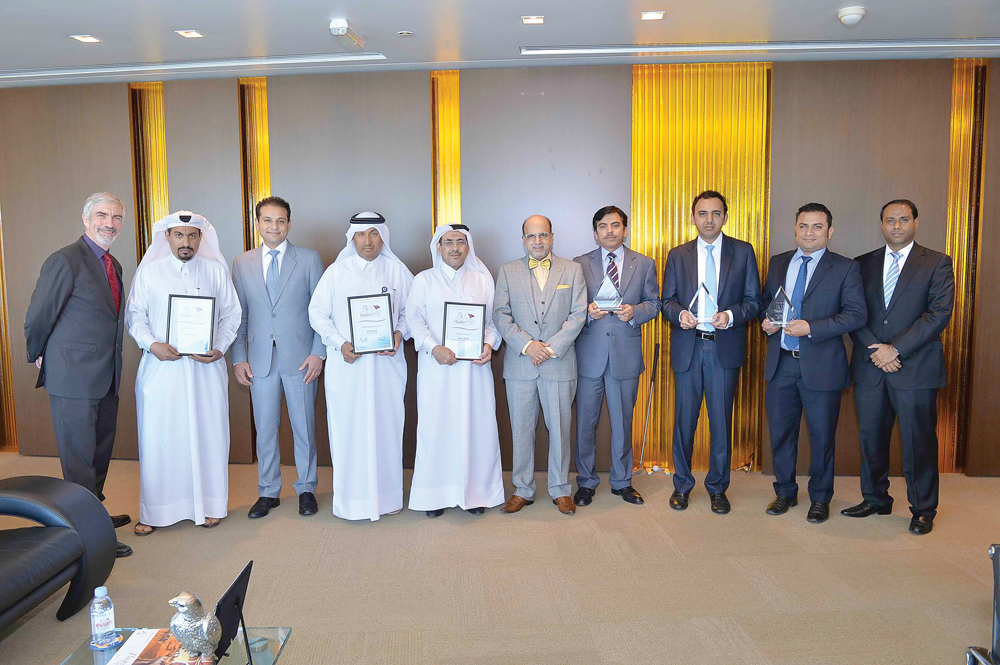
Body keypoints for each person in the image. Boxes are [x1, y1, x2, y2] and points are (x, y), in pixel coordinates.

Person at [24, 192, 133, 558]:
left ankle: (94, 515)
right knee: (78, 458)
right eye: (102, 215)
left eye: (117, 217)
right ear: (85, 218)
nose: (110, 223)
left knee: (99, 452)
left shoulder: (113, 264)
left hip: (106, 374)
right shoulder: (65, 260)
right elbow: (39, 315)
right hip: (72, 376)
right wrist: (38, 353)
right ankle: (86, 533)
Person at [125, 212, 241, 534]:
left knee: (208, 435)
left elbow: (232, 315)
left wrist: (219, 346)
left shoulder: (216, 271)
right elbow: (135, 316)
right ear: (167, 237)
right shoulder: (150, 273)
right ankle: (155, 512)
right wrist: (151, 345)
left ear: (201, 239)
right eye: (179, 235)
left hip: (206, 370)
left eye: (192, 236)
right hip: (162, 370)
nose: (186, 242)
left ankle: (211, 505)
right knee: (159, 438)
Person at [843, 199, 954, 535]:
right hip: (870, 365)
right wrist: (876, 350)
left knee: (918, 441)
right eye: (889, 220)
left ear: (915, 223)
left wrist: (896, 349)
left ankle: (922, 509)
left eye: (903, 219)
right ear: (881, 225)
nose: (896, 226)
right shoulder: (861, 264)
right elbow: (853, 312)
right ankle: (875, 498)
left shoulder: (937, 262)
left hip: (915, 367)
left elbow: (938, 315)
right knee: (871, 438)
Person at [760, 203, 866, 523]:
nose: (809, 232)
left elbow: (856, 315)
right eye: (804, 226)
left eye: (817, 227)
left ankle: (820, 498)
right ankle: (785, 493)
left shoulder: (845, 268)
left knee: (821, 437)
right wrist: (767, 321)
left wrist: (813, 328)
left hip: (821, 366)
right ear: (795, 228)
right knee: (781, 433)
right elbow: (769, 302)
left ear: (829, 231)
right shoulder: (778, 262)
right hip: (780, 363)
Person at [660, 190, 762, 514]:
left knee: (721, 423)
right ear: (693, 218)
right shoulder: (678, 254)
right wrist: (679, 315)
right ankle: (682, 486)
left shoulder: (743, 252)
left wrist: (730, 316)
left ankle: (718, 488)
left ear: (725, 217)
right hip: (689, 348)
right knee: (684, 423)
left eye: (715, 213)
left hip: (723, 347)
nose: (709, 220)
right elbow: (667, 301)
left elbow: (754, 302)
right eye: (702, 213)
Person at [308, 212, 413, 521]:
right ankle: (352, 501)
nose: (368, 241)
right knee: (348, 430)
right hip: (347, 368)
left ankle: (386, 499)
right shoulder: (336, 272)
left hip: (386, 368)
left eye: (374, 234)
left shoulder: (397, 272)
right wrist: (339, 342)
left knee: (387, 429)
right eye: (361, 235)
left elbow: (411, 312)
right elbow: (317, 314)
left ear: (383, 237)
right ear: (351, 238)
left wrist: (398, 333)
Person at [231, 196, 325, 519]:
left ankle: (307, 488)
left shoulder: (310, 259)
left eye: (281, 221)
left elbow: (321, 312)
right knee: (265, 429)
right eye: (267, 220)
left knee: (304, 428)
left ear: (289, 223)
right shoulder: (242, 263)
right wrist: (238, 357)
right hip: (258, 361)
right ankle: (268, 492)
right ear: (258, 224)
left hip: (301, 360)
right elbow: (238, 316)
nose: (274, 226)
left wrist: (318, 353)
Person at [405, 224, 504, 518]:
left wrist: (488, 344)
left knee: (477, 428)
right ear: (438, 247)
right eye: (448, 242)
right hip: (438, 371)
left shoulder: (482, 280)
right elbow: (414, 320)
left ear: (468, 246)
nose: (455, 248)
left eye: (461, 242)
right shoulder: (424, 280)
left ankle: (475, 494)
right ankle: (435, 496)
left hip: (474, 371)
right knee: (437, 429)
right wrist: (433, 347)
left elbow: (494, 321)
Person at [493, 215, 587, 516]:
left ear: (552, 237)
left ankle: (560, 490)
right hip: (520, 363)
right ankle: (523, 489)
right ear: (523, 240)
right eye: (531, 236)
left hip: (559, 364)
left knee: (560, 428)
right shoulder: (507, 271)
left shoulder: (572, 270)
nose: (537, 241)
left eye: (543, 235)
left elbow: (578, 315)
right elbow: (501, 315)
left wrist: (551, 348)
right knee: (521, 430)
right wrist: (528, 345)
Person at [572, 206, 660, 507]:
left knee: (623, 422)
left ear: (625, 229)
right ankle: (585, 482)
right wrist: (587, 313)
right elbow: (570, 306)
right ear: (595, 232)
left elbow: (654, 304)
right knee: (585, 422)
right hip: (589, 356)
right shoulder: (579, 263)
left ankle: (622, 481)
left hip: (625, 355)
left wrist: (635, 312)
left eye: (615, 225)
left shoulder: (645, 263)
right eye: (603, 226)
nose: (610, 231)